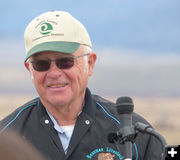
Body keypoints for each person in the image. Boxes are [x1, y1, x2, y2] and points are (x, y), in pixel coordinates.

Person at [0, 10, 165, 160]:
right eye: (41, 64)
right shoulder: (7, 136)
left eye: (65, 61)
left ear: (90, 63)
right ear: (29, 69)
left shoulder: (137, 136)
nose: (54, 73)